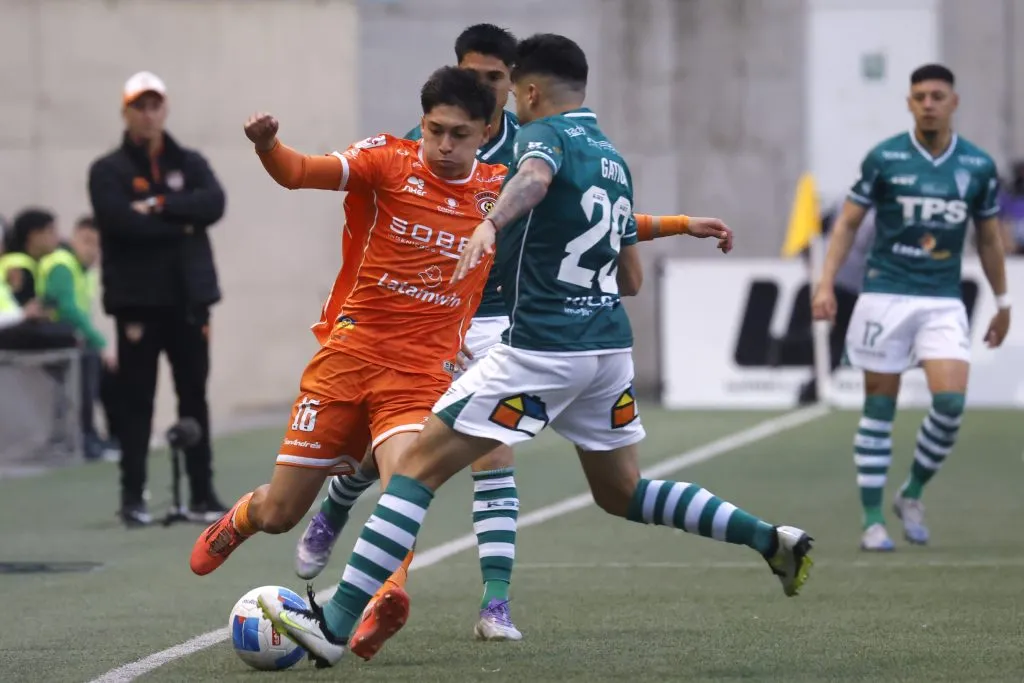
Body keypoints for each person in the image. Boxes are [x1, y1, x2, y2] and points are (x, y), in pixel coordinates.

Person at [261, 34, 813, 668]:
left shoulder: (540, 137)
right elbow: (621, 250)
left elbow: (533, 178)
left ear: (527, 90)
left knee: (412, 469)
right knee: (623, 493)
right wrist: (682, 224)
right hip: (607, 349)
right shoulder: (610, 157)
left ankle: (332, 625)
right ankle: (771, 539)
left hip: (542, 350)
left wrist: (489, 222)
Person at [189, 67, 505, 611]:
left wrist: (663, 225)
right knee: (281, 513)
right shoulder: (387, 160)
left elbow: (593, 221)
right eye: (435, 130)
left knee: (404, 486)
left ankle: (386, 595)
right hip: (348, 358)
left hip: (420, 374)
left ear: (486, 130)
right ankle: (243, 518)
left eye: (460, 134)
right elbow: (299, 172)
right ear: (423, 123)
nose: (444, 145)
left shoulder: (501, 190)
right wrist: (268, 146)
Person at [811, 64, 1010, 551]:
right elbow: (846, 224)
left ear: (953, 102)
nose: (928, 104)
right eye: (919, 96)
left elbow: (987, 239)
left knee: (950, 404)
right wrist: (825, 283)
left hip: (942, 299)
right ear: (908, 103)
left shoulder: (978, 166)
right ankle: (872, 522)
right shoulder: (885, 158)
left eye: (937, 96)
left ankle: (912, 492)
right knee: (879, 409)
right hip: (884, 295)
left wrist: (1003, 301)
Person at [88, 71, 227, 527]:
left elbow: (214, 204)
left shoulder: (189, 161)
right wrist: (181, 222)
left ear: (164, 110)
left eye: (154, 106)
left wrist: (159, 205)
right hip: (138, 308)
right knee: (136, 403)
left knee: (194, 398)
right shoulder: (108, 170)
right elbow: (120, 223)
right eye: (139, 107)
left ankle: (202, 494)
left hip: (189, 303)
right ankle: (133, 497)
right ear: (126, 113)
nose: (148, 115)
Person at [36, 216, 119, 461]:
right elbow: (67, 310)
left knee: (108, 367)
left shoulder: (85, 272)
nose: (91, 249)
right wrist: (100, 342)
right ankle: (84, 435)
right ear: (74, 238)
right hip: (47, 338)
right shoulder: (62, 265)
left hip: (68, 339)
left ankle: (113, 435)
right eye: (86, 241)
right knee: (90, 359)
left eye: (97, 244)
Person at [0, 209, 60, 304]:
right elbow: (23, 308)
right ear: (33, 235)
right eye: (50, 232)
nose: (57, 238)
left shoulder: (24, 263)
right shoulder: (19, 267)